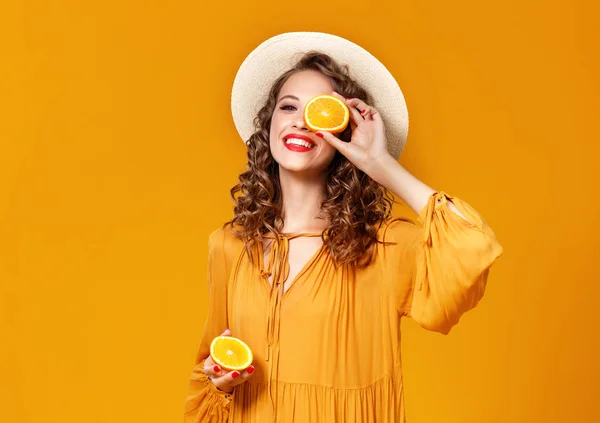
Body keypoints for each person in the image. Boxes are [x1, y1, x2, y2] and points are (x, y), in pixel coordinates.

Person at [183, 32, 503, 423]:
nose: (300, 121)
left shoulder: (382, 246)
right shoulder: (229, 247)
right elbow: (207, 377)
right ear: (268, 126)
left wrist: (381, 164)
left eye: (319, 111)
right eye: (287, 106)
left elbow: (470, 248)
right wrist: (220, 381)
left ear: (343, 132)